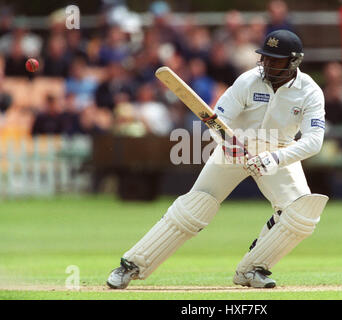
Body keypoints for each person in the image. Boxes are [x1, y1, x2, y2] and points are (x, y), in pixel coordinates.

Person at [106, 29, 329, 289]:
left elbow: (314, 141)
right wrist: (232, 146)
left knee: (301, 216)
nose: (267, 64)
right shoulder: (247, 81)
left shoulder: (310, 92)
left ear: (293, 62)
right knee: (193, 208)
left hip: (278, 151)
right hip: (235, 145)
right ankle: (130, 266)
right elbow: (218, 122)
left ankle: (252, 269)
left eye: (275, 60)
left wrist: (275, 158)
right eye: (265, 58)